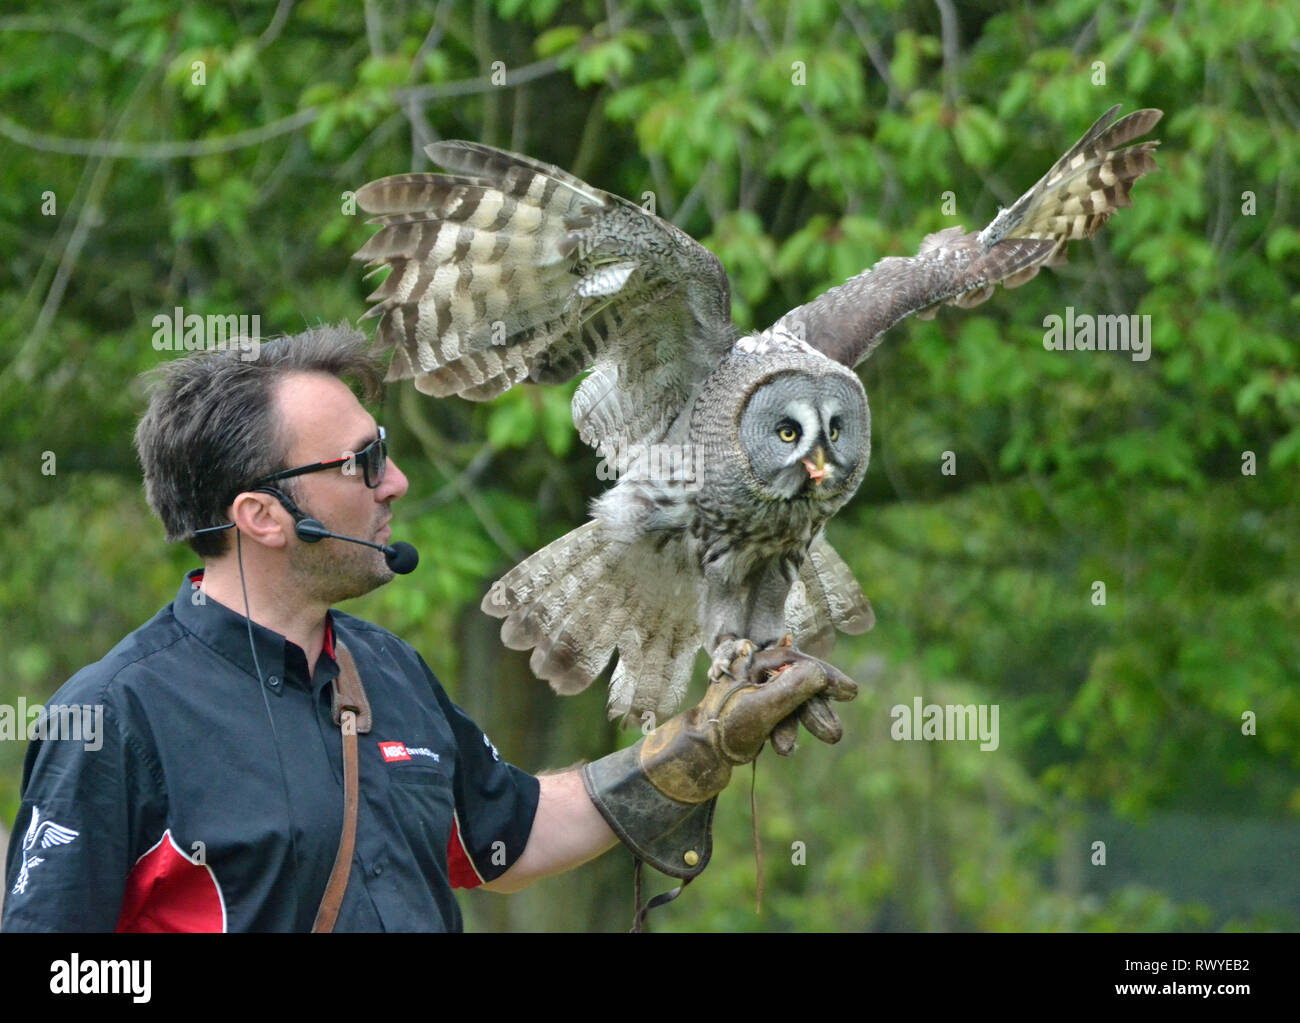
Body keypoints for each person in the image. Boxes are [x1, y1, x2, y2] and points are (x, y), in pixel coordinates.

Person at [1, 323, 853, 932]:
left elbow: (508, 834)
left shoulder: (387, 671)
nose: (397, 480)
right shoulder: (115, 717)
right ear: (262, 514)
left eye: (387, 449)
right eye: (362, 463)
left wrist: (701, 745)